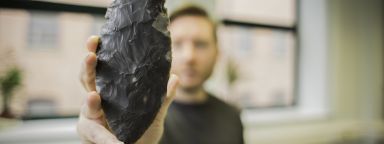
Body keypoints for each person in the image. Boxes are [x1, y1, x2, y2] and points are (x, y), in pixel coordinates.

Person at [77, 5, 244, 144]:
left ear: (217, 53)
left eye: (200, 44)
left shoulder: (232, 115)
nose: (189, 57)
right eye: (177, 44)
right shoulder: (139, 118)